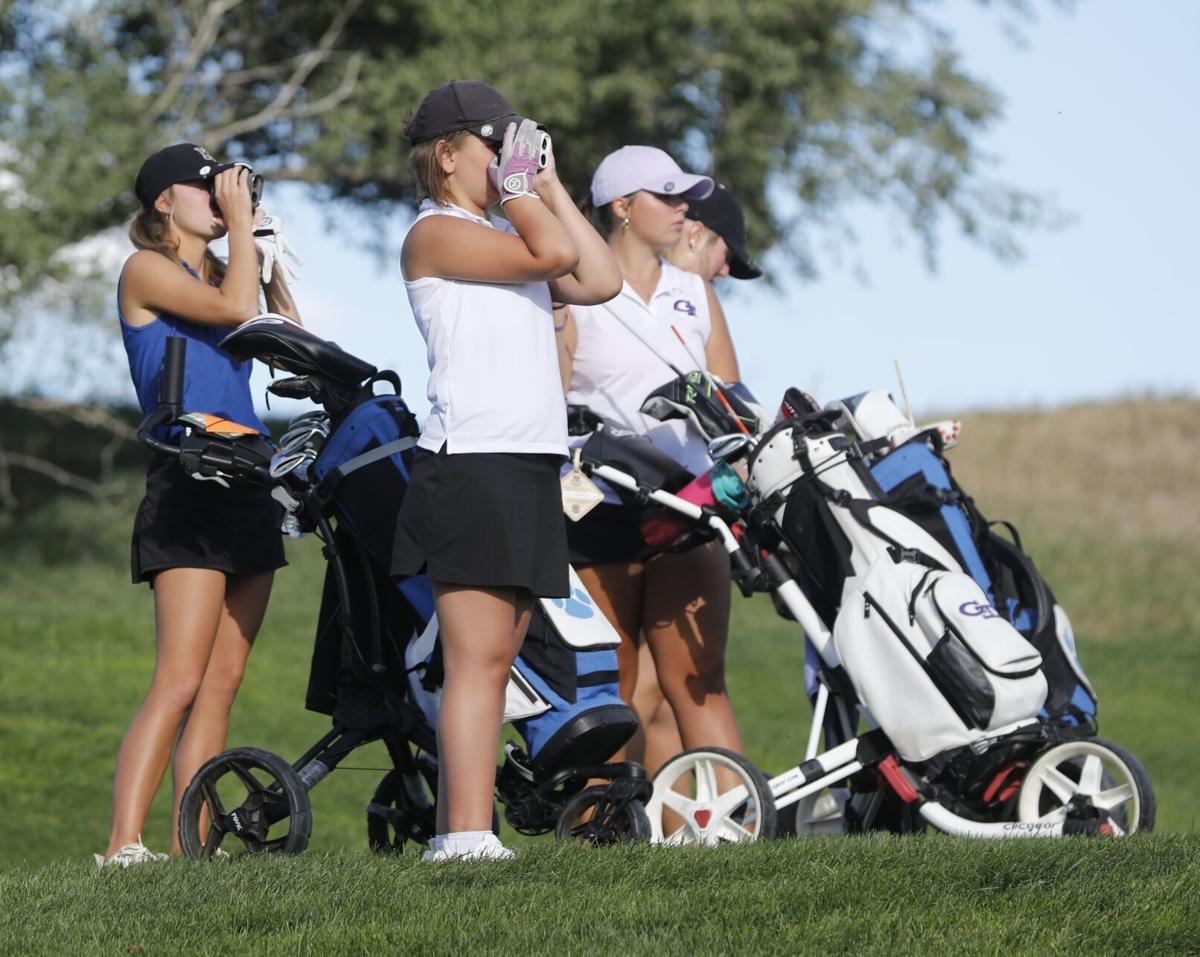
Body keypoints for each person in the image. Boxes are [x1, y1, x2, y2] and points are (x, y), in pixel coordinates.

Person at [392, 81, 621, 862]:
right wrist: (528, 192)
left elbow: (599, 279)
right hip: (473, 463)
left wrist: (548, 183)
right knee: (478, 659)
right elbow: (554, 254)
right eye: (494, 148)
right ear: (448, 155)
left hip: (527, 463)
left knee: (502, 656)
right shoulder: (436, 232)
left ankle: (469, 832)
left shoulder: (512, 233)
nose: (505, 162)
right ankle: (461, 835)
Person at [96, 144, 301, 867]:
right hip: (187, 477)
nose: (220, 199)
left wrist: (270, 261)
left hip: (247, 477)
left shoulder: (227, 271)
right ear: (162, 201)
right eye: (205, 188)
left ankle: (195, 846)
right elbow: (229, 310)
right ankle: (124, 844)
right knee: (180, 678)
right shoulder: (146, 270)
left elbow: (291, 349)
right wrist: (242, 231)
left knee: (222, 681)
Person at [555, 146, 747, 780]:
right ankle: (604, 833)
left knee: (698, 680)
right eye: (666, 197)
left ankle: (735, 832)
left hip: (690, 504)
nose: (682, 208)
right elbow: (554, 396)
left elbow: (730, 397)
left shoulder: (693, 290)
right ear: (621, 207)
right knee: (610, 684)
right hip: (597, 504)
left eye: (682, 196)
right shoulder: (572, 287)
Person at [629, 182, 765, 772]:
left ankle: (676, 832)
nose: (727, 271)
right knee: (645, 688)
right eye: (727, 255)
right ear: (693, 234)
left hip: (686, 507)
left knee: (661, 689)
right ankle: (638, 828)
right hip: (626, 497)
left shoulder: (698, 301)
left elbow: (732, 405)